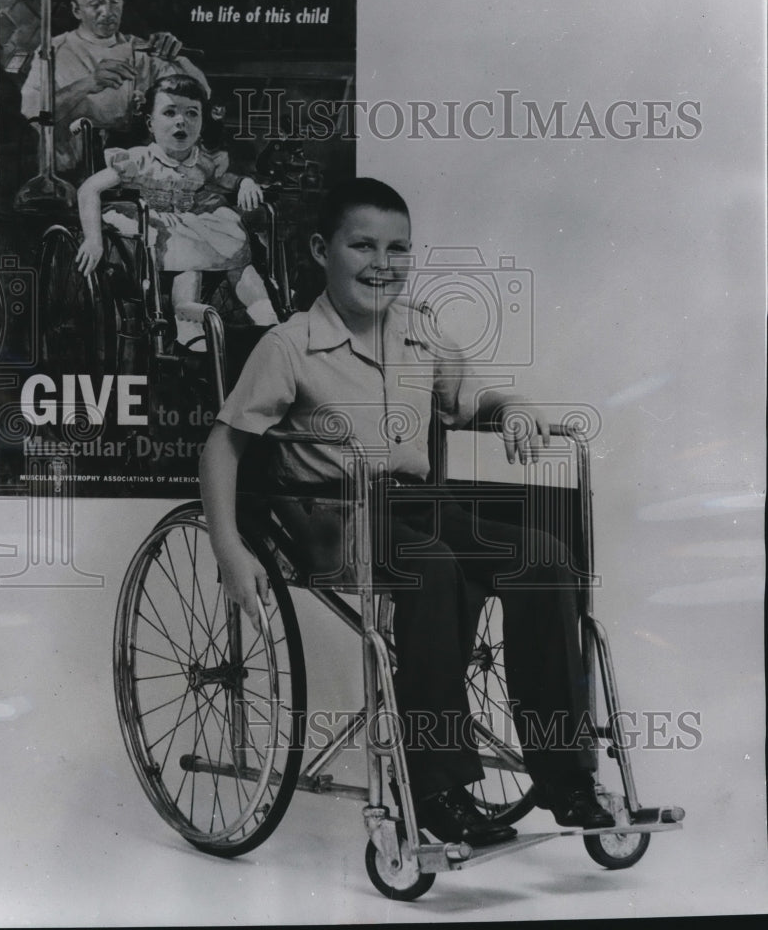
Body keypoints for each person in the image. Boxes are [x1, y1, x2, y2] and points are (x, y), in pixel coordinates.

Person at [199, 177, 615, 847]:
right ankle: (436, 788)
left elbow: (469, 398)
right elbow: (224, 446)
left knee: (544, 559)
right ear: (321, 250)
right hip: (332, 515)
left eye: (397, 249)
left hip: (415, 504)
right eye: (362, 246)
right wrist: (228, 546)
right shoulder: (289, 345)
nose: (382, 263)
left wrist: (511, 409)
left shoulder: (419, 331)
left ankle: (566, 776)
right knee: (433, 567)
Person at [75, 74, 277, 350]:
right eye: (170, 113)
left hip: (190, 223)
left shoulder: (203, 162)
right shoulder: (138, 159)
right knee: (188, 262)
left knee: (238, 258)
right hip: (150, 228)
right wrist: (92, 239)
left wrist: (245, 183)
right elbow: (89, 189)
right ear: (151, 123)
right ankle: (189, 328)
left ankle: (267, 317)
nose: (181, 121)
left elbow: (225, 180)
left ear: (202, 122)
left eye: (191, 113)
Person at [20, 0, 211, 174]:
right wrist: (88, 84)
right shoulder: (53, 51)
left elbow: (201, 94)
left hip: (135, 170)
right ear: (76, 10)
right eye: (95, 4)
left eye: (114, 2)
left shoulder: (142, 51)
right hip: (70, 172)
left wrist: (177, 60)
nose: (107, 12)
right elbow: (33, 114)